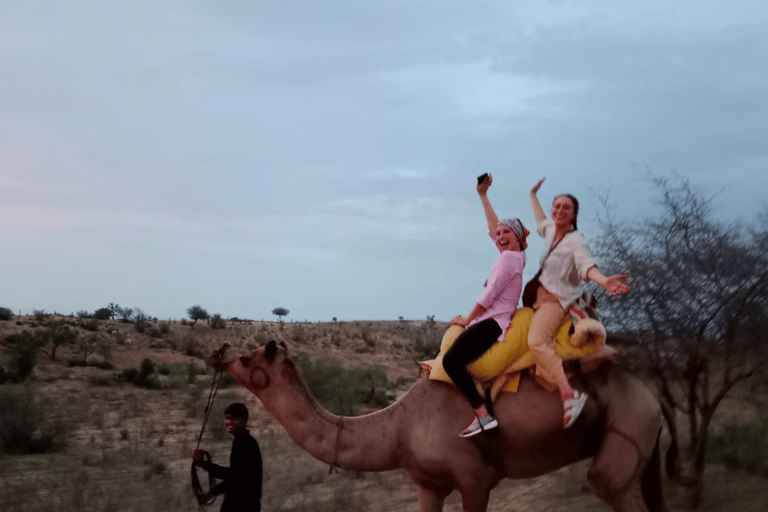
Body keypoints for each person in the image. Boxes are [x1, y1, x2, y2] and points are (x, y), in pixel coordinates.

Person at [528, 177, 630, 428]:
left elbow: (586, 267)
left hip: (557, 301)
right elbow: (541, 222)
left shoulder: (577, 241)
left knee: (537, 342)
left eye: (566, 207)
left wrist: (603, 280)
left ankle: (568, 393)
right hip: (537, 298)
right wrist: (533, 196)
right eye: (557, 206)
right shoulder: (551, 229)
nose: (559, 210)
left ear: (574, 214)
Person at [443, 173, 529, 438]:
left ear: (517, 238)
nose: (499, 236)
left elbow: (488, 296)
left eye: (506, 233)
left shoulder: (508, 259)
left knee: (451, 362)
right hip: (493, 321)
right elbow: (495, 227)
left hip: (492, 323)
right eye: (498, 233)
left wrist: (466, 320)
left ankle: (483, 416)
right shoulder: (513, 256)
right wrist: (483, 196)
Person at [192, 403, 263, 511]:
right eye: (227, 418)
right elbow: (236, 477)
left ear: (244, 421)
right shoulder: (243, 442)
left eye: (233, 418)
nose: (228, 422)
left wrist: (204, 464)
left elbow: (234, 477)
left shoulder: (244, 444)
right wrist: (212, 493)